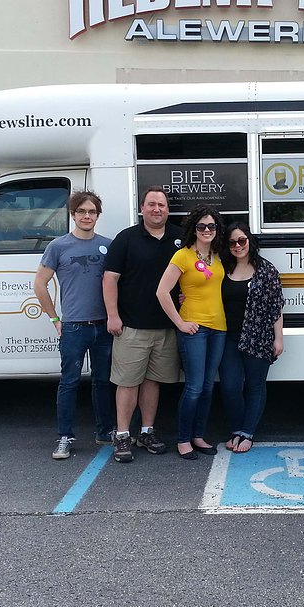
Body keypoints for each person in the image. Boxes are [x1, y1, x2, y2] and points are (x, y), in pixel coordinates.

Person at [102, 186, 182, 463]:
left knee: (152, 381)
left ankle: (147, 431)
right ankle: (123, 435)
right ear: (142, 209)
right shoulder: (126, 238)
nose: (157, 209)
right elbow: (110, 279)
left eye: (162, 205)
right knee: (127, 383)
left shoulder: (179, 238)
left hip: (166, 327)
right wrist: (113, 315)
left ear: (168, 209)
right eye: (151, 204)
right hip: (131, 326)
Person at [35, 191, 115, 460]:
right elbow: (40, 284)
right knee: (69, 382)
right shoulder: (58, 247)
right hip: (73, 328)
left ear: (98, 215)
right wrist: (54, 318)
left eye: (92, 212)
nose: (86, 216)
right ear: (73, 214)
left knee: (103, 381)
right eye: (81, 211)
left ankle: (105, 432)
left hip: (103, 327)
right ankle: (64, 437)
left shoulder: (108, 246)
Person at [156, 204, 227, 460]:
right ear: (193, 229)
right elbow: (162, 292)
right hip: (194, 328)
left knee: (208, 386)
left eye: (211, 226)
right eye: (201, 226)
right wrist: (180, 323)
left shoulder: (218, 255)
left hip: (219, 328)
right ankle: (184, 439)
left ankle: (198, 435)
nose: (207, 230)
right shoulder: (182, 256)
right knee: (194, 387)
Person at [218, 223, 285, 453]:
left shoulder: (266, 270)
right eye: (232, 242)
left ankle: (247, 433)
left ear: (250, 241)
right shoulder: (222, 268)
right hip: (228, 336)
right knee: (230, 386)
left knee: (255, 386)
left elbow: (276, 306)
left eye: (242, 240)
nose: (237, 246)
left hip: (259, 336)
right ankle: (236, 428)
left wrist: (278, 338)